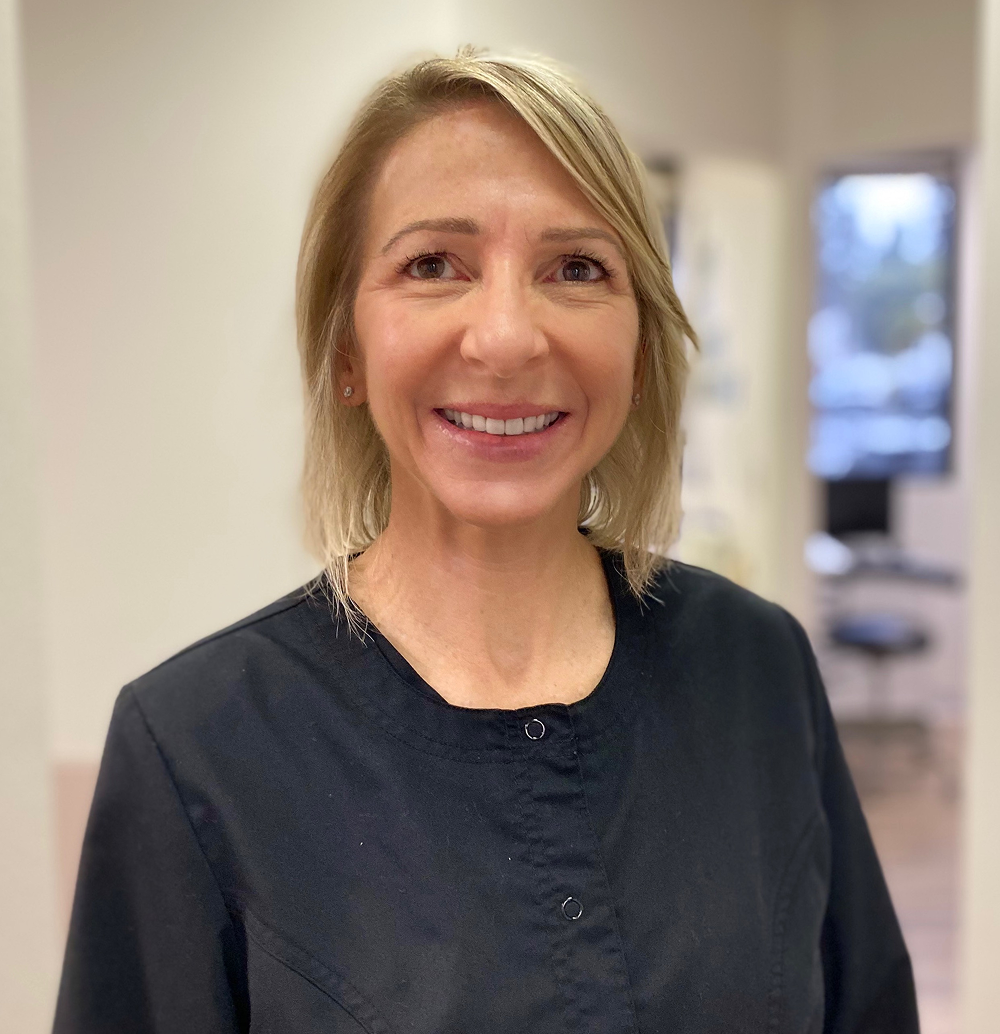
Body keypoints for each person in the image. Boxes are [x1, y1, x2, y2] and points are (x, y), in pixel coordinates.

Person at [53, 49, 918, 1033]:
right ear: (346, 351)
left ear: (636, 349)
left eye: (576, 268)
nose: (505, 337)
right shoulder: (198, 745)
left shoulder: (757, 670)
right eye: (432, 265)